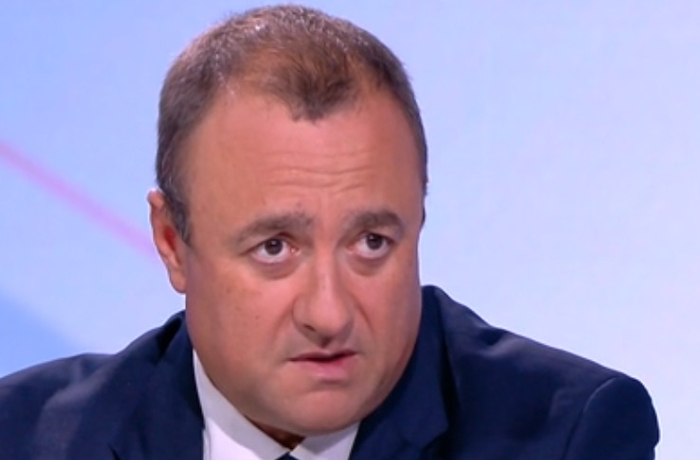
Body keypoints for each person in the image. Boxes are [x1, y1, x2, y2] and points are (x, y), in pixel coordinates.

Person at [0, 4, 658, 460]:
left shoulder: (567, 437)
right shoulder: (24, 438)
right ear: (173, 242)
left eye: (371, 243)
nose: (330, 314)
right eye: (275, 248)